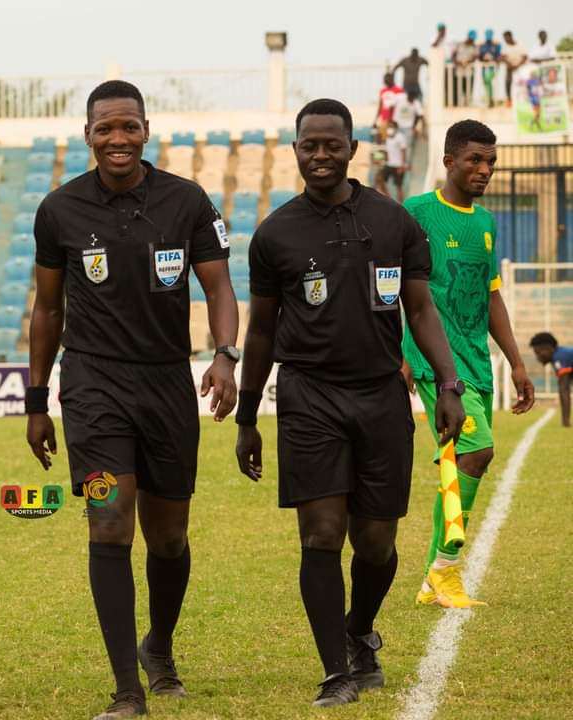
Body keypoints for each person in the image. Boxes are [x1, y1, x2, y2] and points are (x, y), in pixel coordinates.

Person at [235, 98, 465, 708]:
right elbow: (260, 331)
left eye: (330, 144)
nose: (319, 155)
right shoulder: (275, 233)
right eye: (308, 145)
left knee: (376, 543)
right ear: (295, 151)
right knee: (321, 533)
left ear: (352, 148)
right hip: (308, 394)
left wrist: (447, 383)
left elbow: (420, 309)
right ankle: (335, 671)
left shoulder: (394, 223)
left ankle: (360, 629)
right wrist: (247, 415)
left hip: (382, 395)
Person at [27, 80, 239, 720]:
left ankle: (160, 646)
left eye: (128, 127)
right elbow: (47, 310)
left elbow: (220, 289)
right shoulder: (58, 209)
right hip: (92, 386)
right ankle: (127, 690)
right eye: (104, 129)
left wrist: (226, 355)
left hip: (167, 382)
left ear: (146, 129)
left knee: (168, 536)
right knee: (109, 520)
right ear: (87, 134)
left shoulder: (188, 201)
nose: (117, 139)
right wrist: (37, 399)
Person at [402, 120, 535, 610]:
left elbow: (492, 296)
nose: (484, 170)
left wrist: (516, 363)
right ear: (448, 161)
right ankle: (445, 571)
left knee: (461, 464)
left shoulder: (486, 223)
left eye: (490, 162)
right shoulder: (415, 213)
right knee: (477, 452)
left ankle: (433, 579)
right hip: (436, 362)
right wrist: (397, 352)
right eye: (475, 160)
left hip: (477, 363)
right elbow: (389, 285)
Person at [529, 332, 571, 427]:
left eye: (538, 353)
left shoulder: (560, 357)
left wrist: (565, 422)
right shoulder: (561, 354)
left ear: (548, 348)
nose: (538, 357)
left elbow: (564, 390)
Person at [377, 120, 409, 203]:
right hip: (389, 164)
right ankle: (389, 200)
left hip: (398, 165)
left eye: (391, 127)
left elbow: (403, 151)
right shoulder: (387, 138)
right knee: (380, 179)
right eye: (389, 127)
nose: (390, 128)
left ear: (396, 128)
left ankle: (402, 206)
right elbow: (387, 151)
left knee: (399, 187)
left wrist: (402, 165)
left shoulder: (400, 137)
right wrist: (383, 161)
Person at [501, 32, 528, 107]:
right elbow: (502, 57)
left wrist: (518, 65)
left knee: (522, 84)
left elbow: (525, 57)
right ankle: (509, 100)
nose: (506, 40)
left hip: (521, 68)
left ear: (510, 37)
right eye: (504, 39)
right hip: (510, 68)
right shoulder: (505, 47)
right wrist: (510, 65)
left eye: (506, 38)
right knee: (508, 83)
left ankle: (524, 100)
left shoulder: (520, 45)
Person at [372, 73, 404, 137]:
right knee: (383, 139)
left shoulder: (399, 90)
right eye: (385, 80)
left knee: (394, 139)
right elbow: (380, 106)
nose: (386, 81)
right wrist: (375, 120)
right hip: (384, 119)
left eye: (388, 79)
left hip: (395, 121)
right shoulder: (383, 91)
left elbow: (402, 105)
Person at [453, 31, 479, 107]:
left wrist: (467, 62)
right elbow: (453, 56)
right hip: (459, 72)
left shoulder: (474, 47)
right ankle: (456, 105)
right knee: (457, 89)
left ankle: (467, 104)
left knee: (468, 90)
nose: (471, 40)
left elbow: (475, 57)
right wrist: (458, 63)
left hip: (469, 72)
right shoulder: (459, 45)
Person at [478, 30, 502, 107]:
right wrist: (484, 58)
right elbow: (479, 57)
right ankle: (488, 99)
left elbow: (498, 56)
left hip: (492, 67)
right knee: (485, 82)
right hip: (484, 68)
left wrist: (492, 59)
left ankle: (491, 99)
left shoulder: (496, 45)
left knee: (489, 80)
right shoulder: (482, 45)